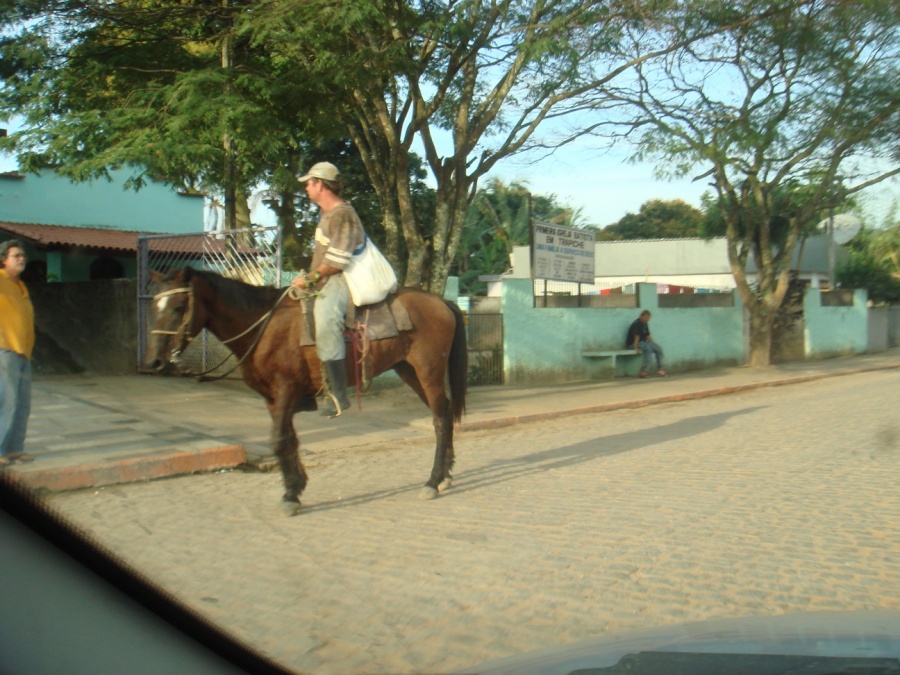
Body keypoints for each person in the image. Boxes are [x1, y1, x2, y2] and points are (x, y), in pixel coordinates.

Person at [291, 162, 366, 417]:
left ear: (319, 184)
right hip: (324, 278)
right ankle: (306, 388)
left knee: (325, 320)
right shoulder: (326, 215)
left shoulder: (342, 213)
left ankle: (338, 396)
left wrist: (309, 279)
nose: (307, 190)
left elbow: (337, 261)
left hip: (342, 278)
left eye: (309, 185)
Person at [0, 240, 36, 466]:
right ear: (3, 260)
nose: (22, 259)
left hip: (24, 352)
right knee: (7, 401)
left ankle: (15, 449)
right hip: (5, 349)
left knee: (23, 403)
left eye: (23, 255)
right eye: (16, 256)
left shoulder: (21, 286)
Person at [626, 309, 667, 378]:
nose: (647, 319)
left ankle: (661, 369)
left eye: (648, 318)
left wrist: (652, 342)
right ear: (641, 316)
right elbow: (637, 336)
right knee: (648, 349)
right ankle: (643, 371)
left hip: (644, 342)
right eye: (646, 317)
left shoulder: (645, 324)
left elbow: (648, 335)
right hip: (633, 344)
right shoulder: (637, 323)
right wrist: (635, 347)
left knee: (658, 348)